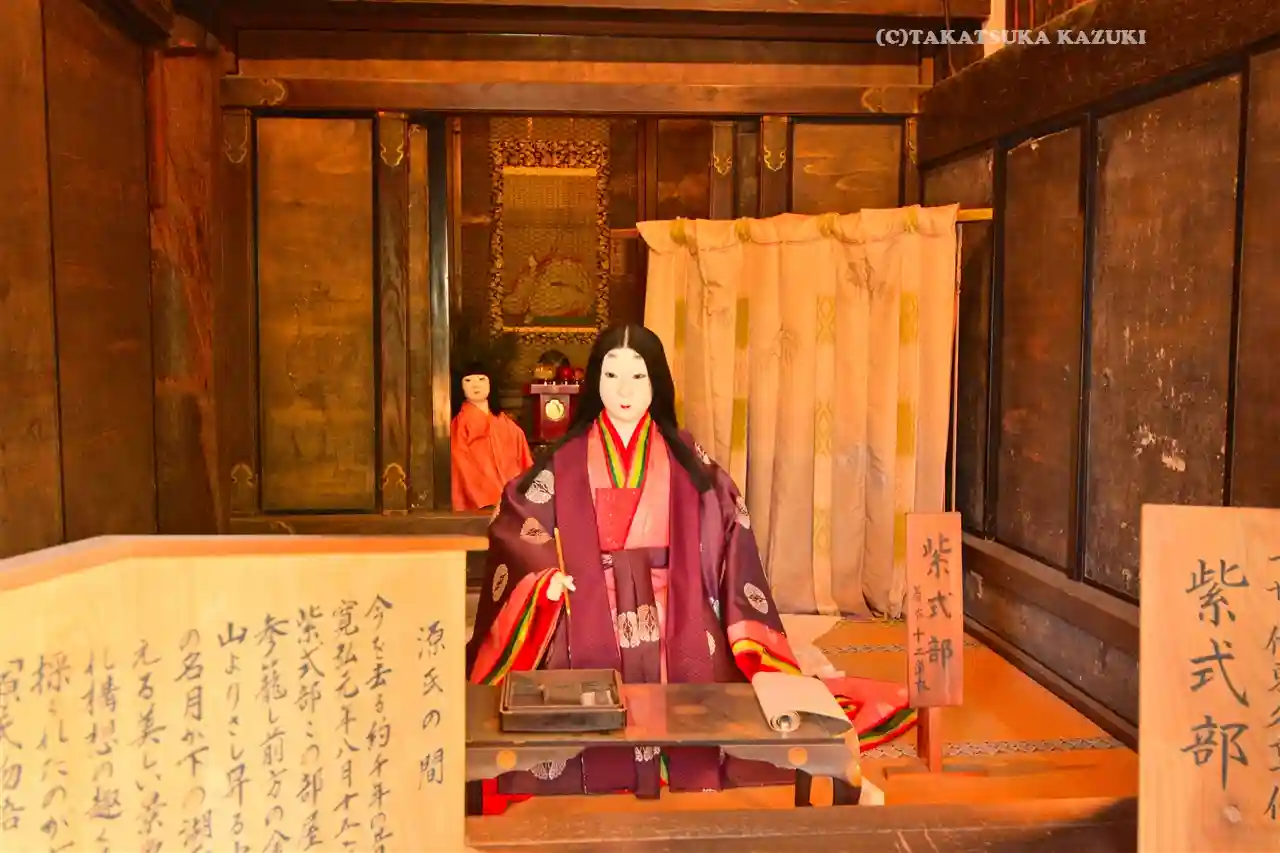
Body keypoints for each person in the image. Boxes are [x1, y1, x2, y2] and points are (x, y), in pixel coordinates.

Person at [466, 324, 914, 813]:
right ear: (595, 381)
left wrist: (703, 568)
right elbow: (518, 518)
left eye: (638, 376)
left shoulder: (683, 453)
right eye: (612, 375)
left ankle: (678, 761)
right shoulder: (567, 459)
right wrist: (546, 577)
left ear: (656, 382)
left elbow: (728, 515)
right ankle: (596, 765)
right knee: (568, 670)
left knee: (704, 662)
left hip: (671, 595)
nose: (623, 389)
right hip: (589, 594)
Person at [450, 363, 534, 511]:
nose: (475, 385)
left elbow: (525, 464)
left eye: (481, 379)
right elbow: (461, 467)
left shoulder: (509, 426)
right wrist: (483, 499)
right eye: (468, 380)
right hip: (479, 503)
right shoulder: (459, 426)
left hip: (511, 502)